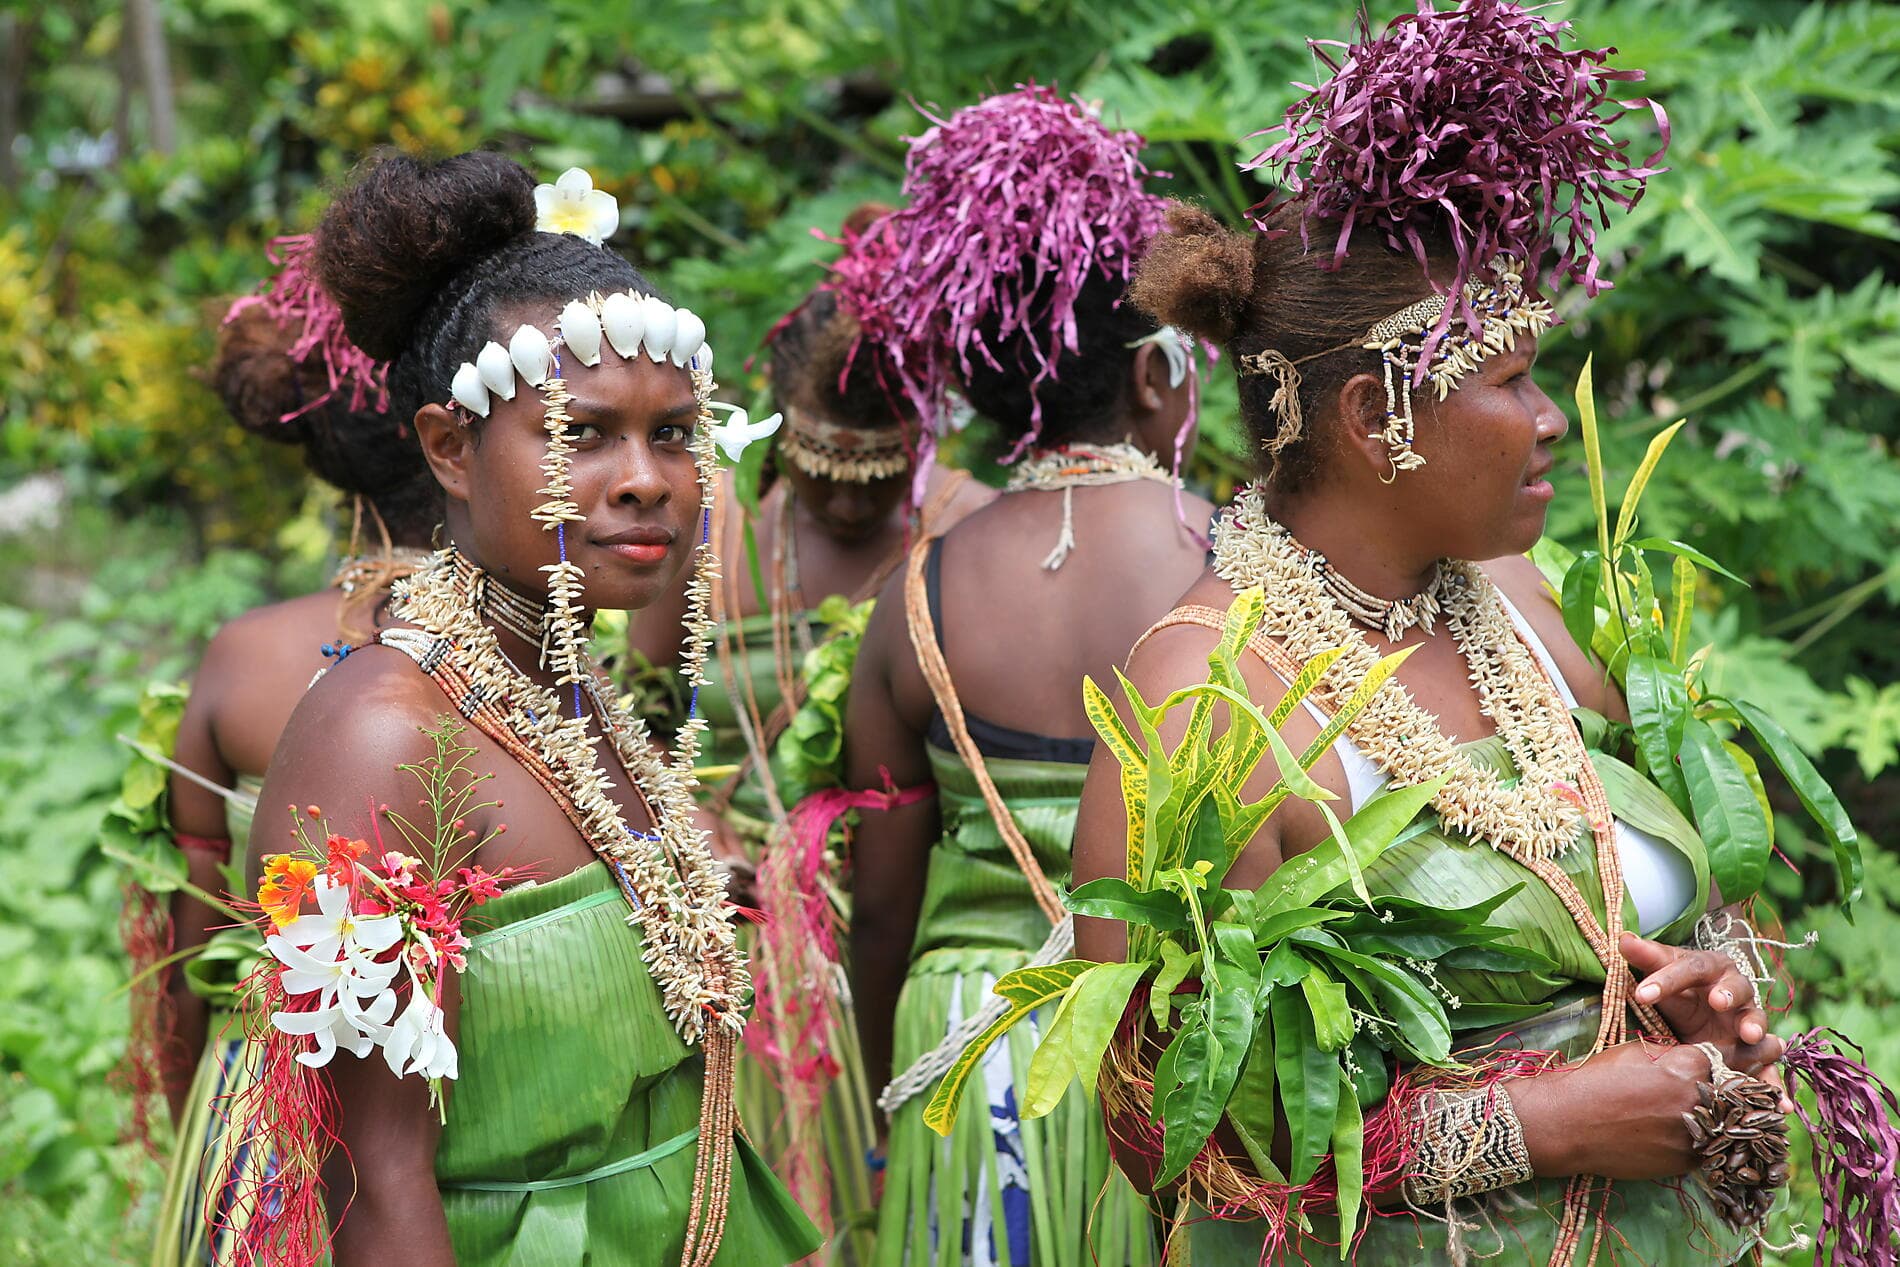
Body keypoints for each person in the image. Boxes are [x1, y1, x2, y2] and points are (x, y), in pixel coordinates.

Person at [1073, 3, 1783, 1261]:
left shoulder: (1525, 610)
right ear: (1372, 415)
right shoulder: (1211, 695)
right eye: (1508, 378)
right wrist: (1544, 1125)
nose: (1551, 420)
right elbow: (1158, 1125)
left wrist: (1712, 991)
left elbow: (1659, 919)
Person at [203, 150, 819, 1267]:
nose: (646, 479)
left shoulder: (571, 694)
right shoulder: (383, 735)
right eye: (582, 433)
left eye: (674, 433)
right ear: (449, 446)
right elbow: (371, 1184)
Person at [843, 86, 1208, 1267]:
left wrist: (872, 1082)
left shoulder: (916, 595)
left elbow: (883, 892)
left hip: (969, 1051)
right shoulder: (1232, 556)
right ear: (1150, 370)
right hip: (1174, 1033)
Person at [631, 206, 991, 1259]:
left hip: (909, 930)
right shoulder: (707, 527)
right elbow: (636, 722)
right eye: (819, 464)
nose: (841, 498)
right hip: (729, 939)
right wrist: (694, 825)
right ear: (777, 424)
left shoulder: (967, 531)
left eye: (875, 475)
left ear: (924, 440)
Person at [127, 237, 441, 1267]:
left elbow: (188, 964)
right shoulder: (562, 664)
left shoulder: (243, 658)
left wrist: (201, 1133)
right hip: (486, 1130)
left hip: (268, 1123)